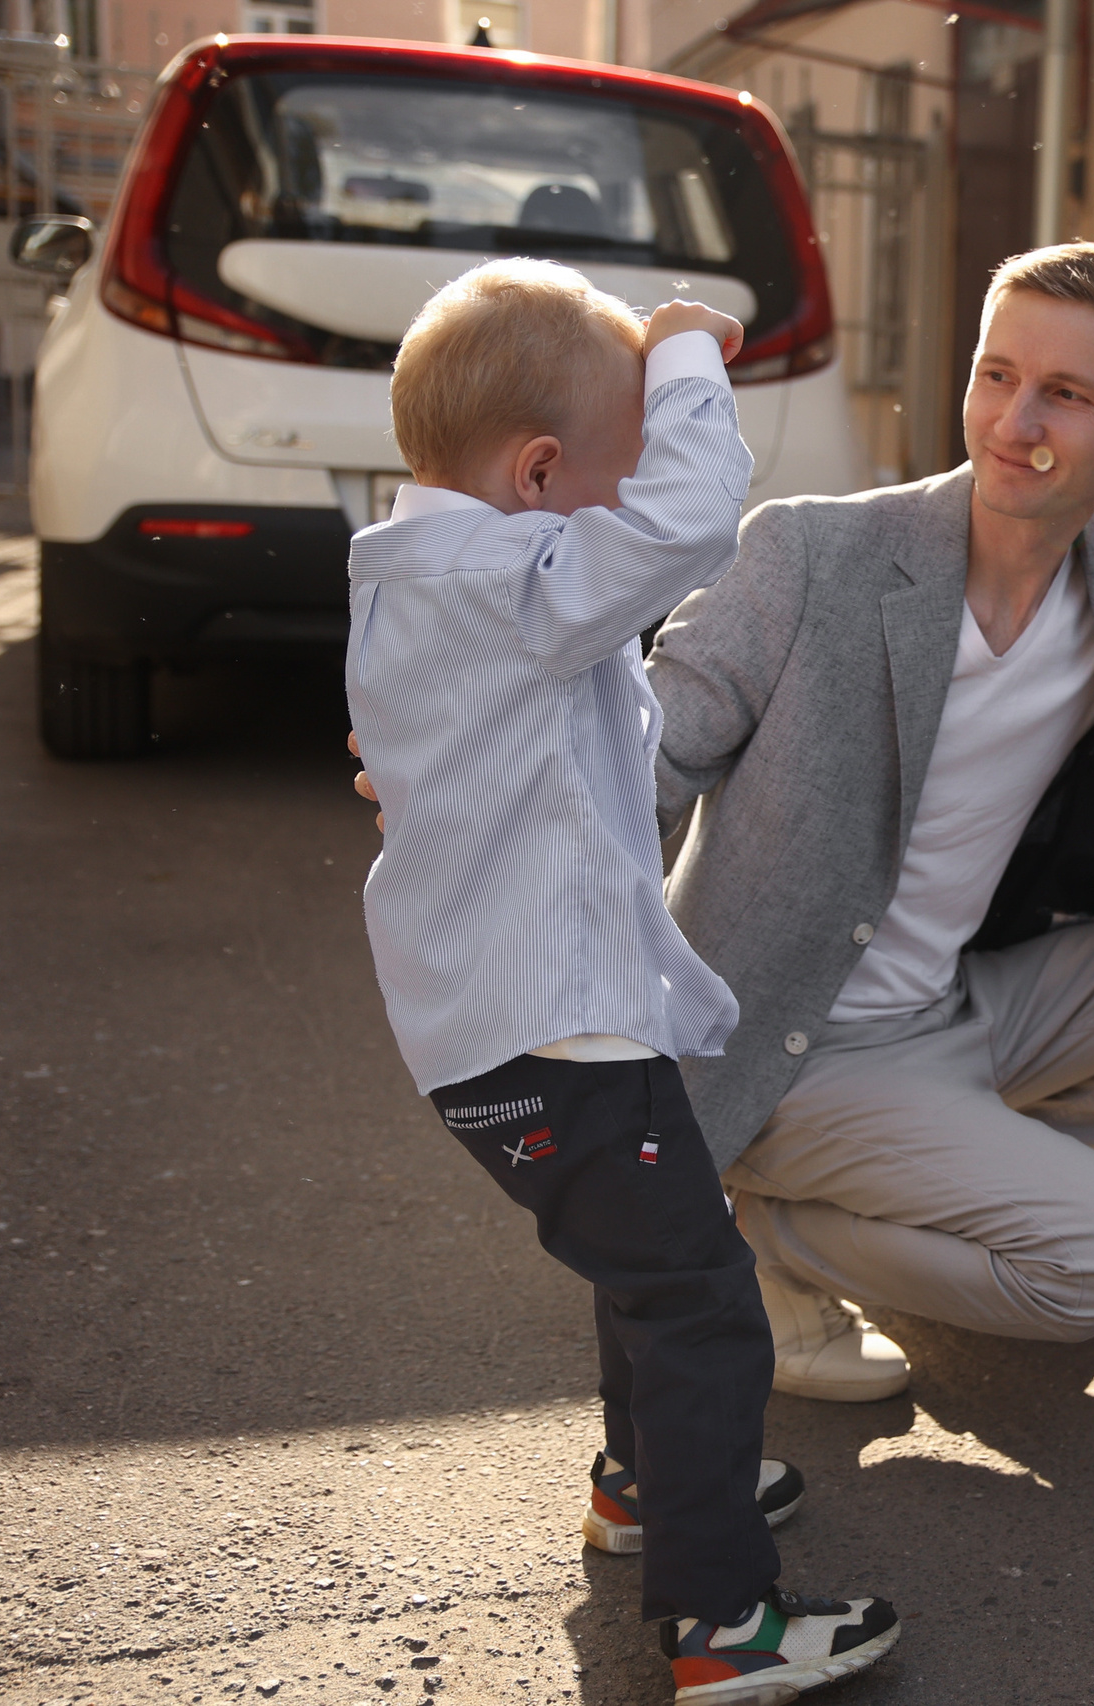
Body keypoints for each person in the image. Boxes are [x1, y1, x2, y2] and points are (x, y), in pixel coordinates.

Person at [645, 242, 1094, 1401]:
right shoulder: (811, 553)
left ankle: (940, 1189)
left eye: (1066, 395)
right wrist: (475, 795)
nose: (1013, 421)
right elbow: (645, 754)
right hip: (791, 1043)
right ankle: (756, 1230)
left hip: (973, 1003)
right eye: (996, 375)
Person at [343, 259, 898, 1700]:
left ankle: (645, 1484)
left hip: (498, 1033)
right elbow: (690, 520)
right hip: (563, 1032)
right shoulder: (513, 581)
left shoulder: (407, 573)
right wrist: (686, 353)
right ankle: (723, 1625)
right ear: (537, 476)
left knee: (646, 1263)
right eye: (619, 467)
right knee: (703, 1304)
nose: (632, 496)